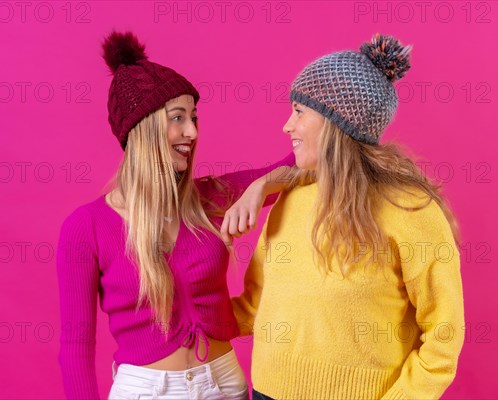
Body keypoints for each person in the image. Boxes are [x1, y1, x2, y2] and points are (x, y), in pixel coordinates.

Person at [56, 31, 295, 400]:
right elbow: (75, 347)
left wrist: (262, 186)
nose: (192, 131)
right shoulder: (85, 227)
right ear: (143, 128)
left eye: (194, 117)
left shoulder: (210, 197)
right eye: (178, 118)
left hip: (225, 384)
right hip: (146, 392)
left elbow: (297, 166)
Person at [230, 33, 465, 400]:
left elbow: (443, 332)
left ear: (333, 122)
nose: (286, 126)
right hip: (265, 392)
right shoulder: (289, 200)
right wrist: (176, 309)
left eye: (299, 111)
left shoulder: (410, 209)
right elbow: (252, 305)